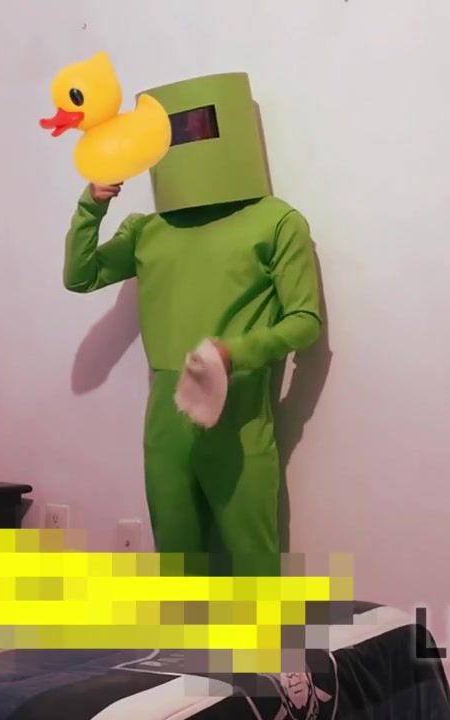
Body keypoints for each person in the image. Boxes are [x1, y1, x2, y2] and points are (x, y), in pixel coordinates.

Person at [62, 73, 322, 576]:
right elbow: (80, 275)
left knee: (253, 562)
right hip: (167, 418)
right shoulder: (148, 229)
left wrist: (234, 353)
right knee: (177, 564)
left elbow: (304, 321)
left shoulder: (275, 221)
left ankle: (260, 634)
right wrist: (92, 203)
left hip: (240, 414)